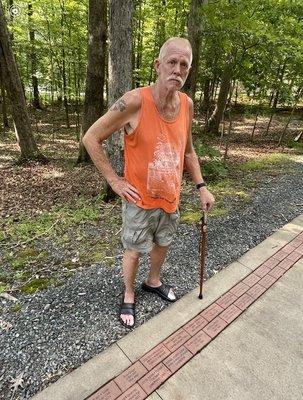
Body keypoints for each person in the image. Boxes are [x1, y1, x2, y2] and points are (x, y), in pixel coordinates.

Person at [83, 37, 215, 329]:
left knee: (163, 243)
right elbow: (91, 138)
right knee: (134, 250)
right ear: (158, 65)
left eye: (184, 65)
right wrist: (114, 181)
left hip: (170, 196)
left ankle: (152, 281)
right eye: (172, 62)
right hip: (138, 200)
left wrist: (201, 186)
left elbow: (188, 150)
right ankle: (129, 293)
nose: (177, 69)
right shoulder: (134, 101)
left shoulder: (187, 105)